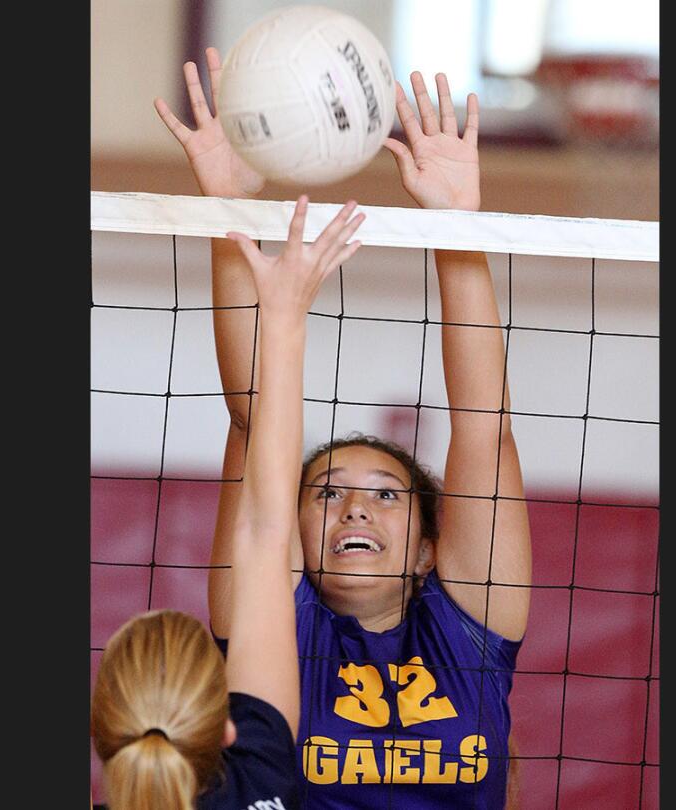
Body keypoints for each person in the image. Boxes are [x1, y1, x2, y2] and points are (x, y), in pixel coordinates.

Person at [156, 49, 531, 808]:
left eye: (389, 496)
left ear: (431, 547)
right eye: (326, 493)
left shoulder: (471, 632)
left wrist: (457, 223)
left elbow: (484, 429)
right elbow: (253, 415)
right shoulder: (275, 624)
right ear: (293, 531)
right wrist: (230, 212)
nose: (356, 508)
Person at [91, 196, 367, 809]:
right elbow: (266, 530)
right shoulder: (261, 774)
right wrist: (286, 314)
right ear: (228, 730)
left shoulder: (259, 762)